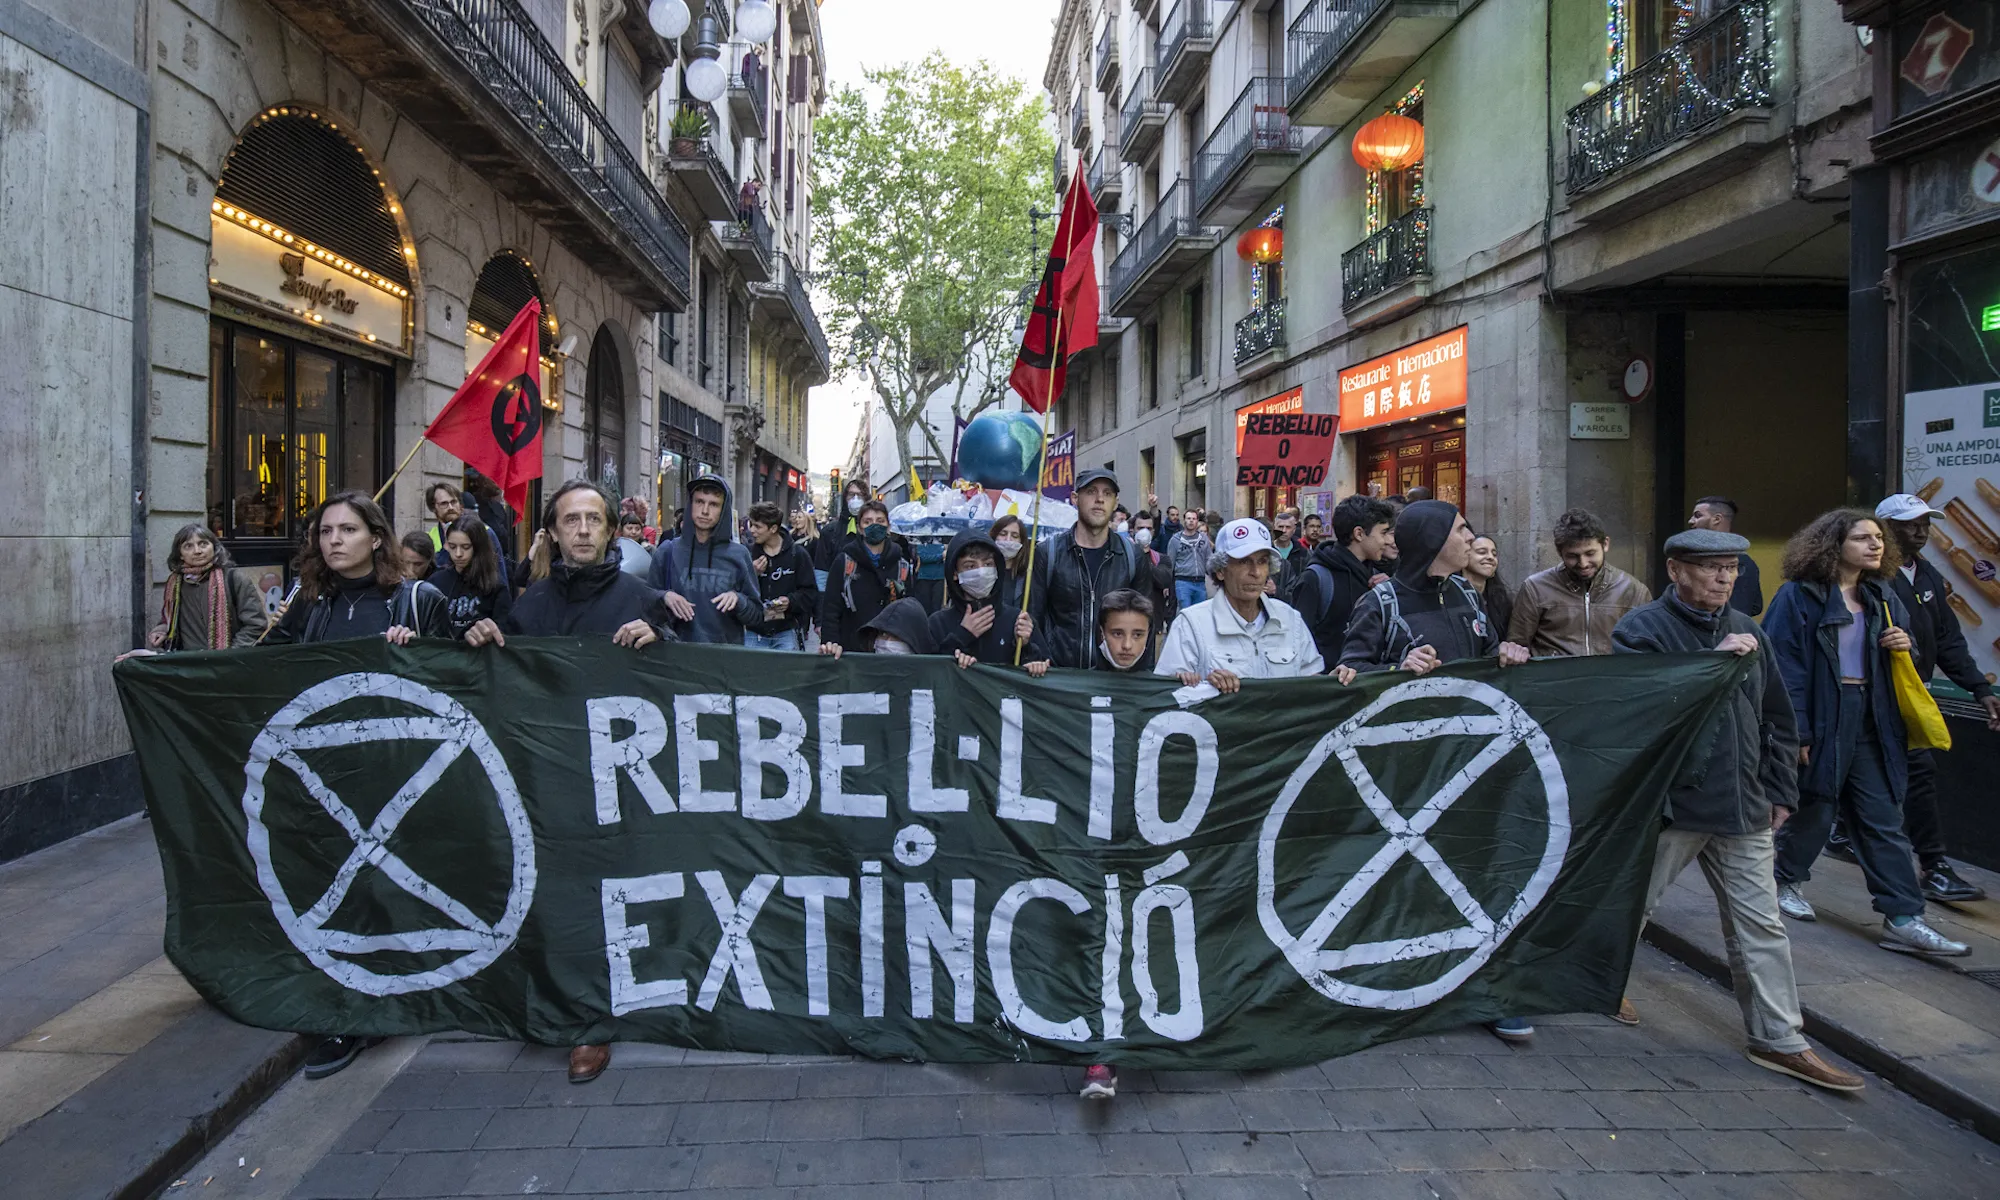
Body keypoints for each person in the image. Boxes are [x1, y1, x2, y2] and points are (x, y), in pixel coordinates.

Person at [1609, 530, 1863, 1092]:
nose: (1725, 578)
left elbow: (1778, 714)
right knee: (1632, 905)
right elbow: (1639, 709)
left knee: (1761, 925)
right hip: (1672, 805)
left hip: (1744, 802)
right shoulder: (1642, 629)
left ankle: (1779, 1038)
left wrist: (1779, 789)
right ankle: (1602, 982)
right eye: (1711, 568)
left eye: (1731, 568)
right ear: (1676, 571)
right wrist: (1707, 664)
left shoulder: (1749, 629)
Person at [463, 479, 671, 1086]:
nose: (582, 530)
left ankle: (606, 1012)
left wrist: (665, 643)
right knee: (566, 898)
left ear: (611, 530)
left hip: (629, 782)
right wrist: (474, 643)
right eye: (570, 520)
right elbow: (500, 685)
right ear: (552, 533)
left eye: (594, 519)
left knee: (620, 894)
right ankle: (577, 1011)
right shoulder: (528, 607)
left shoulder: (645, 598)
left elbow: (695, 679)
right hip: (552, 778)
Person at [261, 492, 451, 1081]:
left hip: (396, 771)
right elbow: (257, 667)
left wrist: (421, 652)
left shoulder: (418, 599)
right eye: (324, 532)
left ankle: (374, 1006)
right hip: (324, 773)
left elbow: (461, 678)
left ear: (376, 536)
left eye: (347, 530)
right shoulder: (307, 603)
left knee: (384, 889)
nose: (333, 541)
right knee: (338, 886)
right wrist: (163, 667)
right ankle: (350, 999)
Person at [1338, 500, 1532, 1041]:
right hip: (1405, 774)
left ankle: (1486, 991)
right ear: (1432, 540)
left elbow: (1491, 653)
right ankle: (1392, 983)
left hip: (1473, 768)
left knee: (1480, 879)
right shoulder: (1381, 601)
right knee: (1406, 881)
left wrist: (1508, 653)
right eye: (1461, 529)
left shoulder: (1469, 594)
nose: (1472, 536)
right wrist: (1395, 670)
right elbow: (1347, 673)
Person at [1764, 509, 1967, 957]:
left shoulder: (1882, 594)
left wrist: (1904, 646)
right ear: (1833, 546)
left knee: (1882, 817)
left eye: (1878, 538)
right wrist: (1797, 730)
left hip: (1874, 715)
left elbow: (1903, 654)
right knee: (1815, 806)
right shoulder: (1798, 597)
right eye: (1862, 538)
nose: (1876, 545)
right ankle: (1782, 880)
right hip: (1823, 712)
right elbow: (1783, 667)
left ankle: (1904, 917)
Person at [1833, 495, 2000, 902]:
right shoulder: (1867, 578)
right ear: (1885, 530)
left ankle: (1931, 866)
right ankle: (1819, 849)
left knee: (1916, 773)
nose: (1921, 531)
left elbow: (1947, 640)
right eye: (1910, 524)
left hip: (1908, 696)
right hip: (1865, 695)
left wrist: (1980, 688)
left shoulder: (1925, 575)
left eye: (1926, 523)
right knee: (1848, 778)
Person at [1157, 518, 1326, 692]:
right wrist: (1203, 686)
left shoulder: (1290, 619)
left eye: (1262, 562)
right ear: (1221, 570)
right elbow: (1168, 696)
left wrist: (1337, 683)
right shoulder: (1191, 625)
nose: (1255, 572)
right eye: (1244, 562)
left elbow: (1312, 685)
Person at [1027, 469, 1151, 670]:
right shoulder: (1048, 553)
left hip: (1113, 680)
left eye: (1107, 493)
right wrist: (1039, 661)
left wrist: (1141, 677)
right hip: (1060, 678)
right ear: (1075, 498)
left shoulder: (1133, 556)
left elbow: (1146, 623)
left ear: (1116, 502)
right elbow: (1033, 617)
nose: (1100, 499)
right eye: (1092, 491)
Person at [1507, 509, 1651, 657]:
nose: (1583, 563)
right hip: (1554, 678)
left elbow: (1647, 648)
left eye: (1590, 553)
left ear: (1605, 544)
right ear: (1559, 551)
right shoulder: (1535, 588)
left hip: (1612, 677)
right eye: (1572, 556)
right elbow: (1517, 646)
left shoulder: (1634, 590)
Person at [648, 474, 762, 645]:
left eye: (714, 504)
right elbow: (644, 602)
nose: (705, 511)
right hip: (675, 657)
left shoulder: (739, 554)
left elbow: (757, 616)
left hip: (723, 661)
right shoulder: (667, 551)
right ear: (690, 504)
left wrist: (738, 600)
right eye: (699, 501)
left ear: (724, 510)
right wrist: (664, 596)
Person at [1293, 495, 1395, 670]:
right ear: (1359, 534)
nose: (1389, 541)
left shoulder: (1379, 574)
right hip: (1330, 688)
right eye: (1383, 533)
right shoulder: (1316, 578)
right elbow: (1297, 644)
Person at [927, 531, 1048, 674]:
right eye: (970, 566)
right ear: (954, 573)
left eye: (988, 564)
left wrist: (1027, 649)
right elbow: (929, 674)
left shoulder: (1019, 621)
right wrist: (961, 637)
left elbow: (1043, 669)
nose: (981, 572)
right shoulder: (938, 623)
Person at [142, 524, 269, 650]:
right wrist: (162, 630)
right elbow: (169, 619)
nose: (197, 551)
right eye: (188, 546)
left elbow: (255, 624)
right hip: (188, 664)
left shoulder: (234, 579)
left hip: (226, 663)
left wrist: (230, 653)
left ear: (214, 547)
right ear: (180, 554)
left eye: (203, 544)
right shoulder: (175, 583)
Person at [819, 499, 911, 658]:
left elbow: (910, 608)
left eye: (880, 521)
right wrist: (830, 642)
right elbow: (831, 608)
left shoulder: (901, 565)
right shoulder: (844, 561)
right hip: (851, 651)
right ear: (860, 529)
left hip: (891, 652)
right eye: (867, 522)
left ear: (888, 526)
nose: (874, 525)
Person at [744, 501, 817, 651]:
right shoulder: (748, 553)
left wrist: (790, 601)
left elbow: (810, 593)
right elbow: (737, 591)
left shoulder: (798, 555)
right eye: (751, 525)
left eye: (757, 526)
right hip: (754, 630)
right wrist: (752, 574)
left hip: (787, 630)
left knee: (787, 673)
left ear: (773, 529)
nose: (752, 530)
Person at [430, 514, 515, 639]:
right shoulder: (436, 581)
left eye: (465, 547)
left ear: (478, 548)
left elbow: (505, 632)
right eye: (452, 547)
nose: (458, 554)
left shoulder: (495, 586)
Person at [1690, 496, 1764, 615]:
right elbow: (1756, 606)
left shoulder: (1737, 562)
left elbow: (1733, 613)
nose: (1691, 521)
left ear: (1717, 519)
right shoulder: (1747, 561)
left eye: (1698, 515)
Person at [1127, 510, 1177, 636]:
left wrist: (1144, 556)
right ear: (1132, 531)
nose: (1144, 532)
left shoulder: (1161, 558)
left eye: (1148, 528)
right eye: (1140, 528)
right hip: (1128, 620)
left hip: (1154, 621)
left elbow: (1164, 580)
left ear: (1153, 532)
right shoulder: (1124, 557)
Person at [1095, 588, 1160, 674]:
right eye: (1117, 634)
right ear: (1102, 633)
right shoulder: (1080, 684)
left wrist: (1182, 684)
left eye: (1137, 635)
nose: (1127, 645)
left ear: (1149, 634)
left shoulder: (1164, 686)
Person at [1464, 533, 1514, 642]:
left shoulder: (1502, 601)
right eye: (1482, 552)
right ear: (1465, 555)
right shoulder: (1450, 596)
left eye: (1494, 554)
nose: (1490, 557)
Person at [1166, 507, 1213, 613]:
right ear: (1184, 520)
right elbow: (1170, 563)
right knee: (1186, 611)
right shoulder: (1175, 540)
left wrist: (1215, 576)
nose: (1191, 521)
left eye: (1194, 518)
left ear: (1197, 521)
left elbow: (1209, 559)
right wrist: (1167, 585)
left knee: (1200, 612)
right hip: (1183, 581)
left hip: (1200, 582)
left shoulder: (1203, 539)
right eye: (1188, 518)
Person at [856, 596, 931, 654]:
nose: (887, 643)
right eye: (883, 634)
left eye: (896, 636)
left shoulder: (933, 673)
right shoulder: (860, 670)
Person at [988, 514, 1030, 608]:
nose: (1008, 539)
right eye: (1003, 534)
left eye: (1015, 536)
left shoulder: (1029, 576)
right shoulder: (983, 572)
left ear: (1021, 542)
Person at [1267, 510, 1307, 603]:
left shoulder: (1304, 554)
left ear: (1294, 529)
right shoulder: (1267, 552)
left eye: (1288, 527)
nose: (1284, 531)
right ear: (1274, 528)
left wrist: (1277, 591)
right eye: (1280, 527)